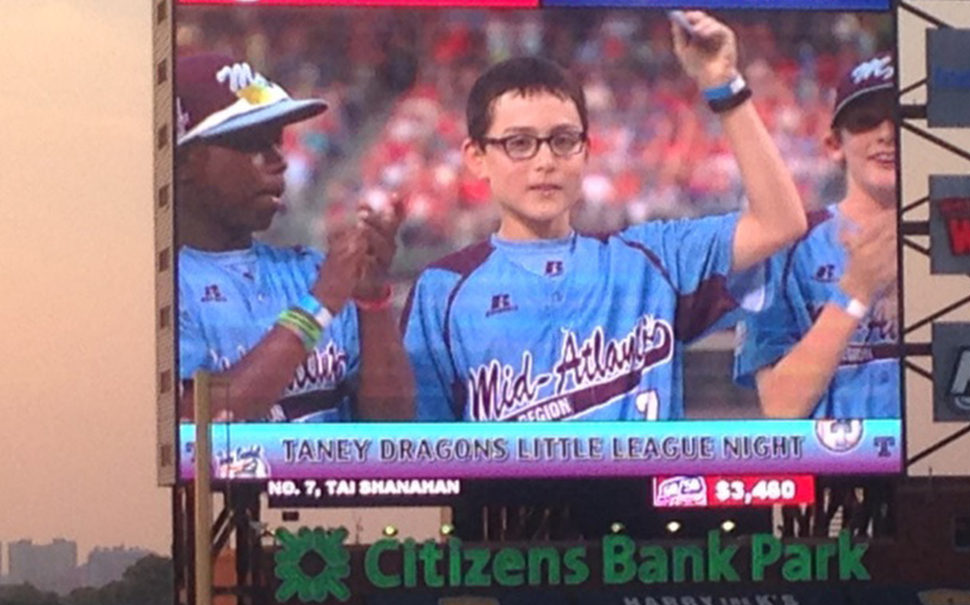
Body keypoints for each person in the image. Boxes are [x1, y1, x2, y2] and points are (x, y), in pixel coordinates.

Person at [402, 12, 806, 421]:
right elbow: (421, 449)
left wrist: (724, 85)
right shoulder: (442, 291)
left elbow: (781, 223)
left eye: (563, 141)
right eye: (519, 143)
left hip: (647, 486)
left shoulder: (651, 260)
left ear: (586, 150)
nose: (545, 161)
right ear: (477, 157)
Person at [175, 53, 413, 421]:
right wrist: (318, 306)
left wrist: (373, 300)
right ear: (186, 161)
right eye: (252, 142)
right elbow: (195, 427)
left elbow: (393, 427)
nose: (279, 160)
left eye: (276, 140)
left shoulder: (312, 270)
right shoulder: (159, 290)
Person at [733, 52, 899, 419]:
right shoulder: (785, 246)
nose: (886, 134)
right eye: (866, 121)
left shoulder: (965, 241)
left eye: (902, 118)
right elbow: (779, 406)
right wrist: (856, 292)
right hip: (835, 469)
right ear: (834, 145)